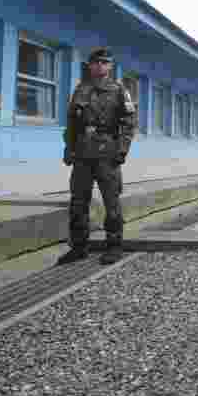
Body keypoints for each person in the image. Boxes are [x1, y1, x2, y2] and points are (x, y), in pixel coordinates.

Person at [59, 48, 136, 265]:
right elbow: (72, 123)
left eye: (105, 62)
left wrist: (121, 150)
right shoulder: (80, 89)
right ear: (90, 65)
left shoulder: (120, 90)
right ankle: (79, 246)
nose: (100, 66)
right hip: (83, 153)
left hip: (107, 153)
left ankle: (114, 245)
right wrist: (69, 148)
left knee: (111, 202)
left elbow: (129, 124)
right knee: (77, 202)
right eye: (96, 62)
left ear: (110, 66)